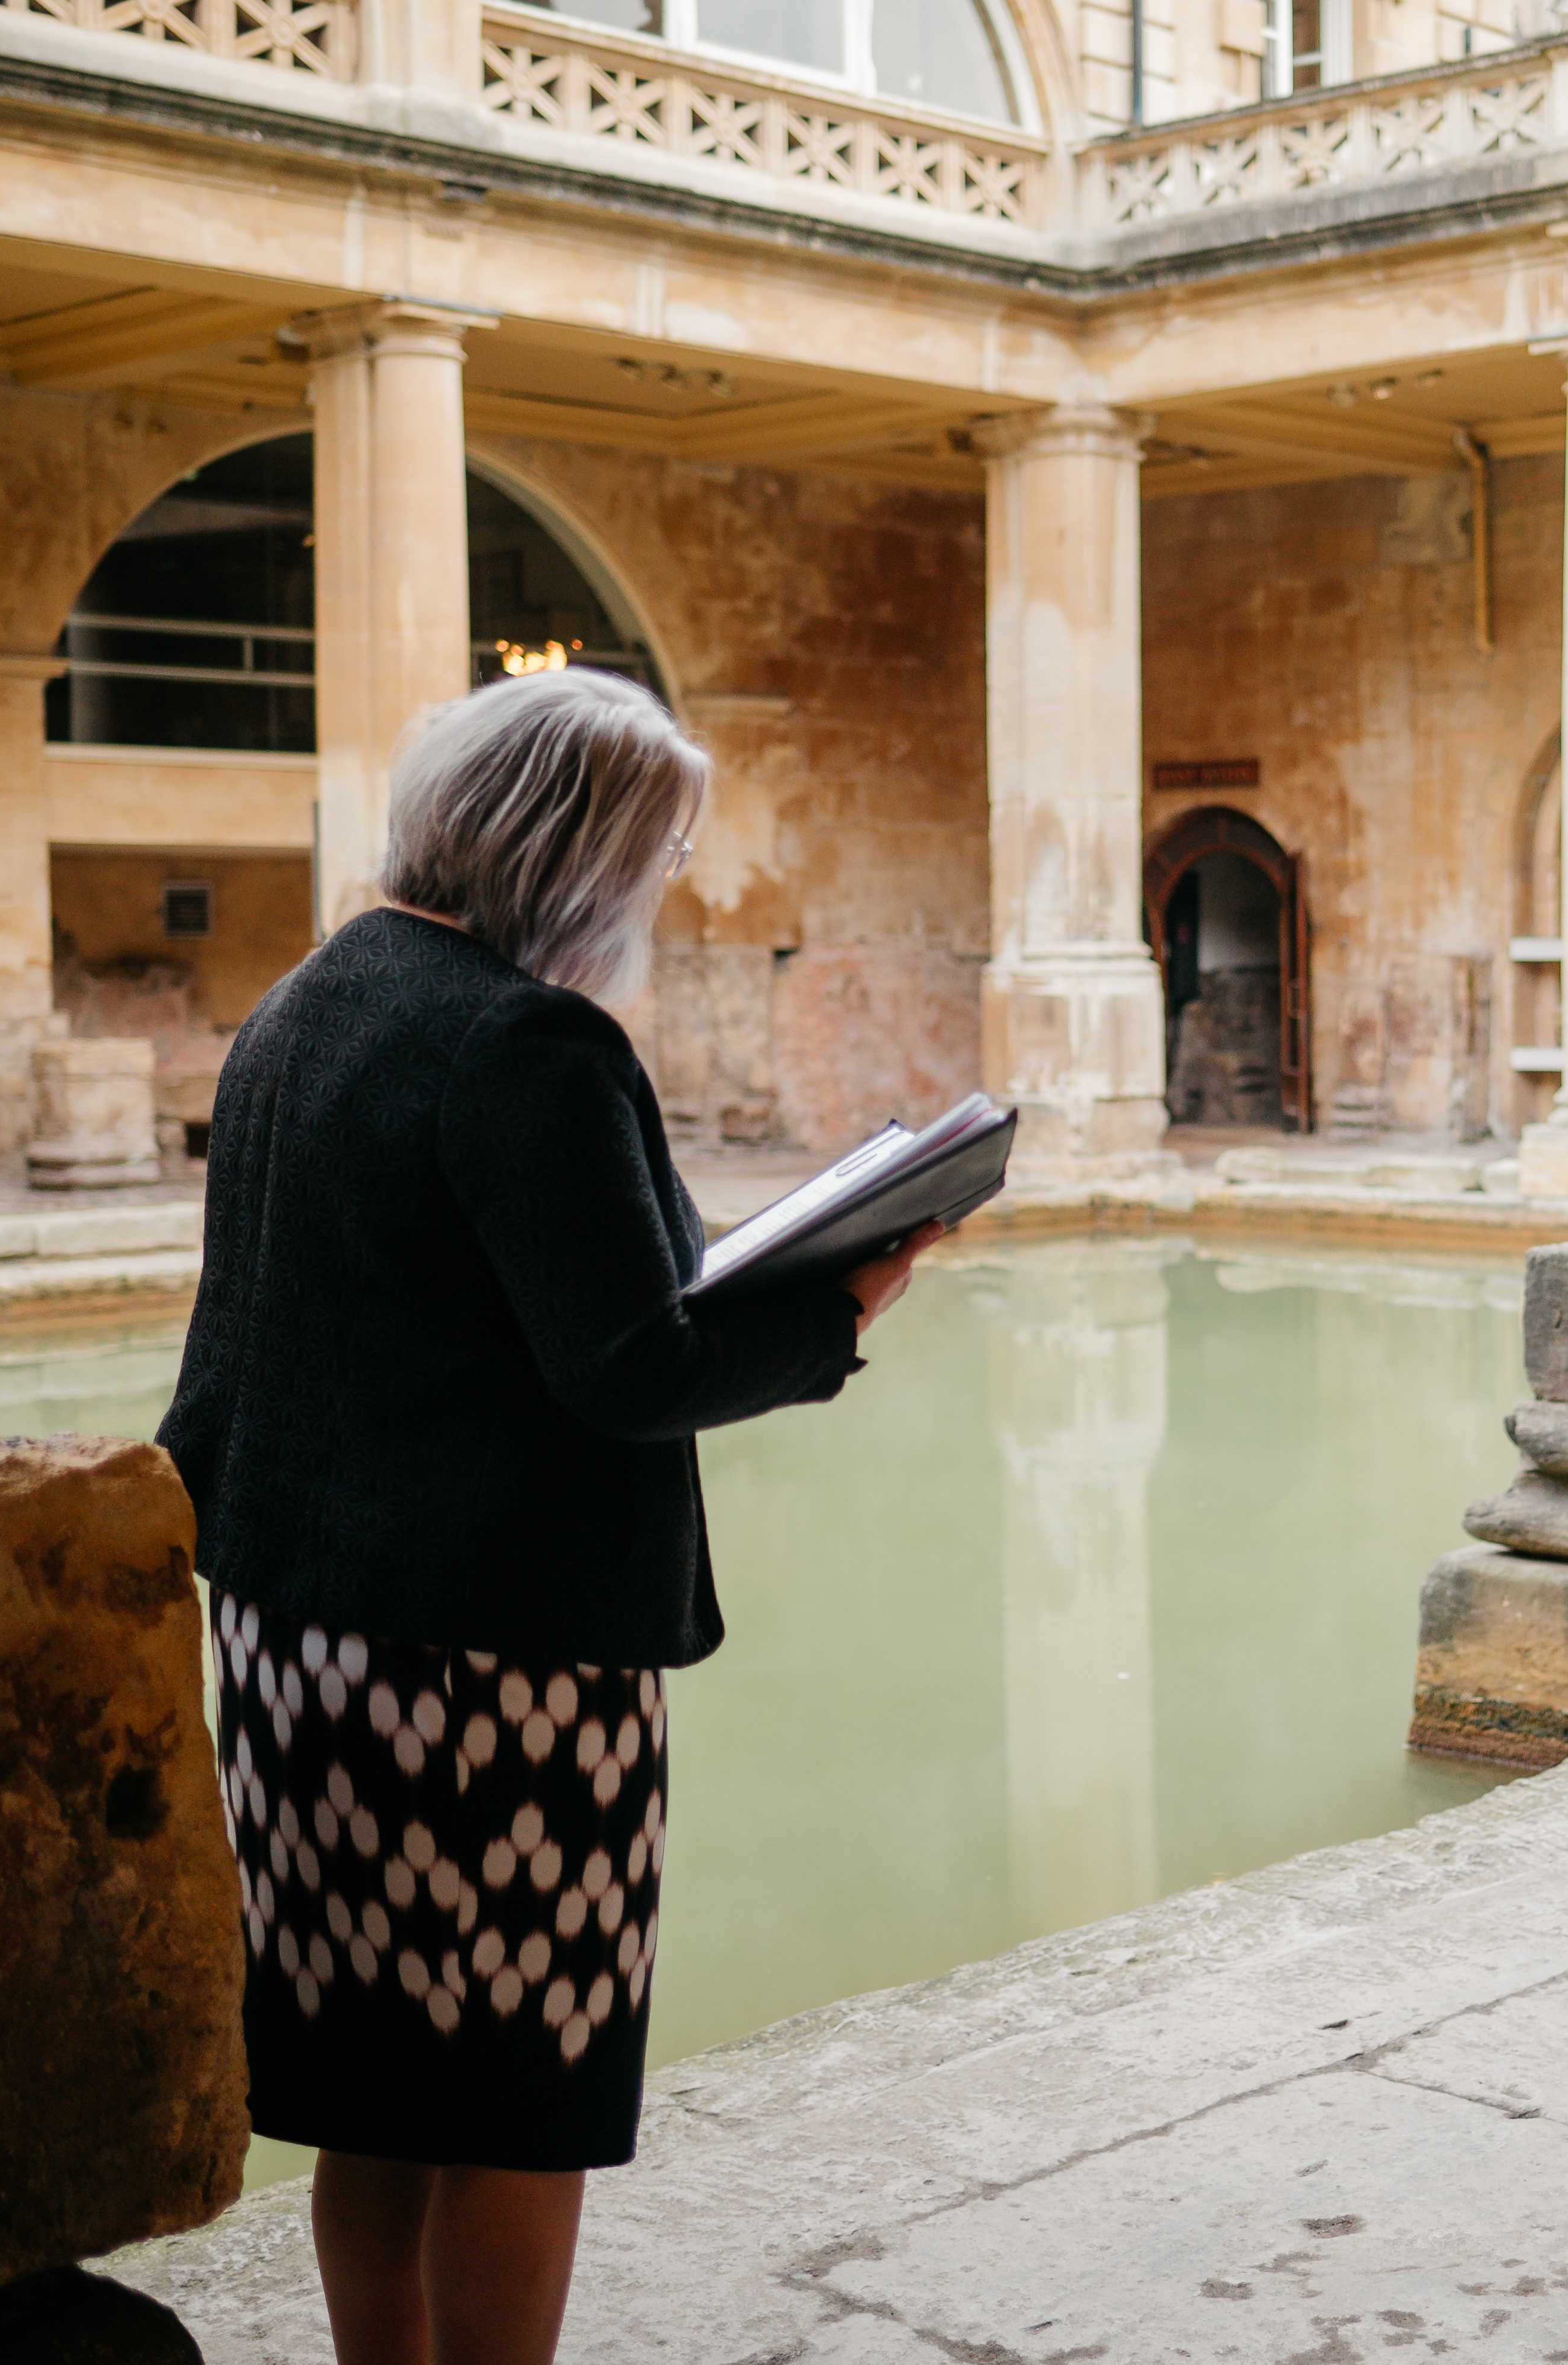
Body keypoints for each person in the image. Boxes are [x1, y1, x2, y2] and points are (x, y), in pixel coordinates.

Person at [158, 668, 943, 2364]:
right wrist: (847, 1302)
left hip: (298, 1640)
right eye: (653, 852)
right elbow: (631, 1364)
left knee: (373, 2086)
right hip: (489, 1666)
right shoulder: (530, 1039)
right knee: (522, 2096)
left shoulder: (307, 999)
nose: (666, 887)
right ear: (568, 853)